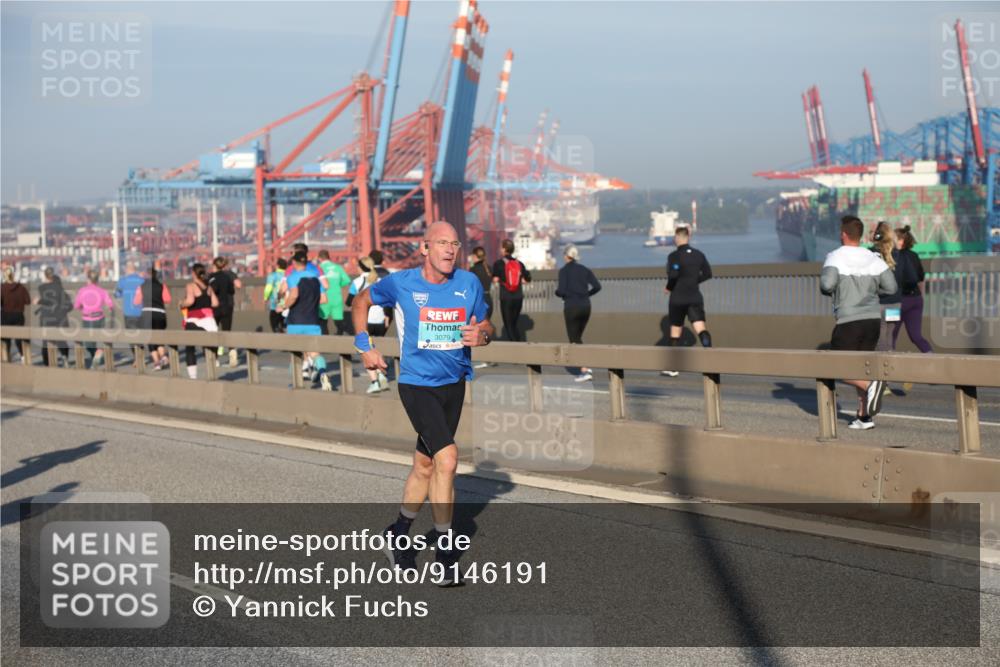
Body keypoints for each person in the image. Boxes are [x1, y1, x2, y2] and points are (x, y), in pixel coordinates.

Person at [352, 221, 492, 578]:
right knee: (448, 459)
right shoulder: (401, 283)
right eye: (442, 243)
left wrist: (483, 336)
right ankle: (446, 556)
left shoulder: (468, 283)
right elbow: (361, 300)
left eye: (455, 243)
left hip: (454, 383)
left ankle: (397, 534)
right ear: (425, 248)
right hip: (416, 385)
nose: (450, 249)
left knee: (425, 465)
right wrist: (364, 345)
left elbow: (486, 323)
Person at [820, 216, 898, 430]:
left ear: (843, 234)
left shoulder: (835, 257)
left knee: (837, 366)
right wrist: (871, 292)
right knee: (860, 367)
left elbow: (827, 284)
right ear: (860, 235)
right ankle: (864, 417)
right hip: (872, 320)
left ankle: (872, 386)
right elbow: (891, 288)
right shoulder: (873, 257)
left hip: (849, 320)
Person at [661, 225, 712, 377]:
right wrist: (694, 281)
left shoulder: (674, 256)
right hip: (694, 296)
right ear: (688, 236)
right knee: (701, 329)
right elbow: (708, 273)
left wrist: (669, 287)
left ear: (677, 238)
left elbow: (674, 275)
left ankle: (673, 367)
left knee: (675, 331)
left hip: (678, 298)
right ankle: (711, 361)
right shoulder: (699, 254)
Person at [285, 250, 332, 391]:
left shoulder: (293, 277)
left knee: (295, 353)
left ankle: (295, 382)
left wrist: (284, 305)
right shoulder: (316, 278)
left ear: (294, 263)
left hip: (295, 321)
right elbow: (324, 299)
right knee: (314, 353)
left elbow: (294, 295)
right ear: (306, 262)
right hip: (313, 320)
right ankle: (323, 374)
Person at [555, 246, 601, 382]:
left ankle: (585, 370)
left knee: (574, 338)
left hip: (571, 307)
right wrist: (587, 294)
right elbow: (598, 286)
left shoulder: (563, 271)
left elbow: (561, 290)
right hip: (586, 306)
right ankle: (585, 366)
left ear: (566, 256)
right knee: (578, 337)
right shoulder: (585, 269)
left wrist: (557, 293)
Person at [348, 255, 392, 394]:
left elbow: (350, 302)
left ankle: (374, 382)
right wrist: (387, 316)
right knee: (378, 348)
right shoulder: (379, 280)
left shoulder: (357, 281)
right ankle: (382, 374)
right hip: (380, 320)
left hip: (365, 321)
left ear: (361, 267)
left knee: (366, 350)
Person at [892, 225, 933, 360]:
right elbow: (920, 277)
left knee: (890, 335)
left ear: (900, 241)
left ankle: (886, 371)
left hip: (896, 302)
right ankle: (934, 362)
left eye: (893, 239)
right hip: (915, 300)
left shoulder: (893, 256)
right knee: (916, 336)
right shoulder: (914, 256)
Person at [179, 263, 219, 380]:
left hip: (195, 320)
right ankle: (212, 376)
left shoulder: (191, 286)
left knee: (190, 348)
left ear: (193, 273)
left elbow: (190, 301)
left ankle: (193, 377)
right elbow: (215, 303)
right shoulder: (209, 287)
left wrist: (182, 303)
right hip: (209, 320)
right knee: (209, 350)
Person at [870, 221, 901, 356]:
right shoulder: (898, 254)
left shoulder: (872, 252)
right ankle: (890, 368)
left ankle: (880, 372)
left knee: (879, 338)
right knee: (889, 335)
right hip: (895, 302)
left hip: (878, 302)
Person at [492, 238, 531, 342]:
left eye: (501, 247)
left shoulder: (498, 264)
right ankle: (518, 343)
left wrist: (498, 279)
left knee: (508, 324)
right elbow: (527, 279)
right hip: (518, 297)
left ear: (504, 249)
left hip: (506, 297)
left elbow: (494, 279)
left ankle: (516, 346)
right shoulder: (519, 264)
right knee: (514, 323)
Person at [73, 269, 114, 369]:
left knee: (89, 343)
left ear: (88, 279)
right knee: (98, 339)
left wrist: (83, 308)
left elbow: (76, 305)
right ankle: (95, 358)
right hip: (100, 318)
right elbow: (110, 304)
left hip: (87, 319)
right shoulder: (102, 291)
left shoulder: (82, 291)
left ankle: (96, 353)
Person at [133, 267, 172, 370]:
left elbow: (136, 301)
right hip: (160, 314)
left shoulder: (141, 287)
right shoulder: (162, 286)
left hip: (147, 314)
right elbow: (167, 299)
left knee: (150, 339)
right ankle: (163, 356)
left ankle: (157, 362)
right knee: (158, 337)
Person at [208, 257, 242, 367]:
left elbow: (211, 290)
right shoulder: (229, 275)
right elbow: (236, 287)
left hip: (215, 306)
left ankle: (215, 359)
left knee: (213, 332)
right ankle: (232, 353)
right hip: (228, 305)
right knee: (227, 331)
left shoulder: (212, 277)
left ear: (215, 266)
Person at [35, 267, 72, 367]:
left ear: (45, 275)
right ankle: (65, 358)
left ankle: (47, 364)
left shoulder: (41, 288)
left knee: (45, 342)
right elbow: (69, 306)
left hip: (46, 318)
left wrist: (39, 301)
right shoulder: (61, 290)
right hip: (59, 318)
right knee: (62, 341)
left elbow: (48, 301)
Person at [469, 246, 493, 369]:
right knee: (486, 328)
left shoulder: (473, 270)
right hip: (489, 298)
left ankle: (485, 359)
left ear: (475, 256)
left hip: (480, 300)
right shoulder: (488, 268)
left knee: (480, 328)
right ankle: (488, 358)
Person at [317, 249, 352, 335]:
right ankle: (339, 338)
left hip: (323, 298)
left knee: (323, 321)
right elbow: (347, 280)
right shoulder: (338, 267)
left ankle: (325, 338)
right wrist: (338, 285)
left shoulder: (318, 268)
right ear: (329, 257)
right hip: (336, 297)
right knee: (338, 320)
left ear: (319, 258)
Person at [1, 267, 31, 361]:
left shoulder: (2, 288)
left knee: (6, 339)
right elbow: (28, 301)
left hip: (6, 315)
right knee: (19, 337)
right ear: (13, 275)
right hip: (18, 315)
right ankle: (23, 357)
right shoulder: (21, 287)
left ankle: (7, 358)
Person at [115, 262, 145, 330]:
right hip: (141, 312)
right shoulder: (142, 280)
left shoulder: (123, 281)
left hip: (128, 312)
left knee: (131, 335)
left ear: (127, 270)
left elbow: (117, 294)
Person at [263, 258, 288, 333]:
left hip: (275, 304)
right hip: (287, 304)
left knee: (275, 325)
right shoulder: (289, 275)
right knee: (285, 326)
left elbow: (268, 288)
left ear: (277, 266)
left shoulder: (273, 276)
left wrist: (265, 297)